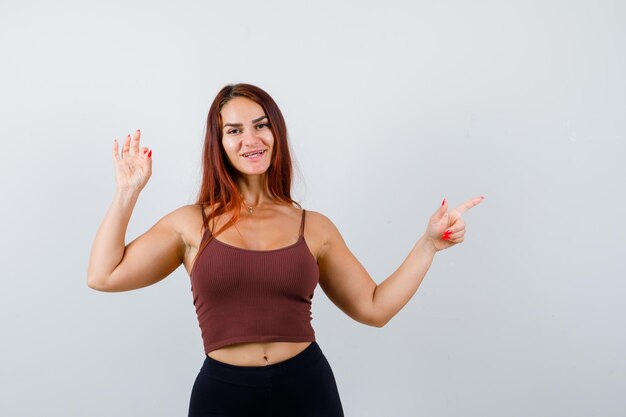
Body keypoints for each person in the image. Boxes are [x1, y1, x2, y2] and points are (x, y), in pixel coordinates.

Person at [86, 83, 484, 417]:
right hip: (223, 396)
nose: (251, 140)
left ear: (276, 133)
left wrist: (428, 245)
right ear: (219, 143)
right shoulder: (191, 223)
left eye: (261, 126)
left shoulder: (315, 227)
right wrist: (127, 192)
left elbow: (374, 308)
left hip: (307, 389)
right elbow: (103, 276)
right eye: (234, 130)